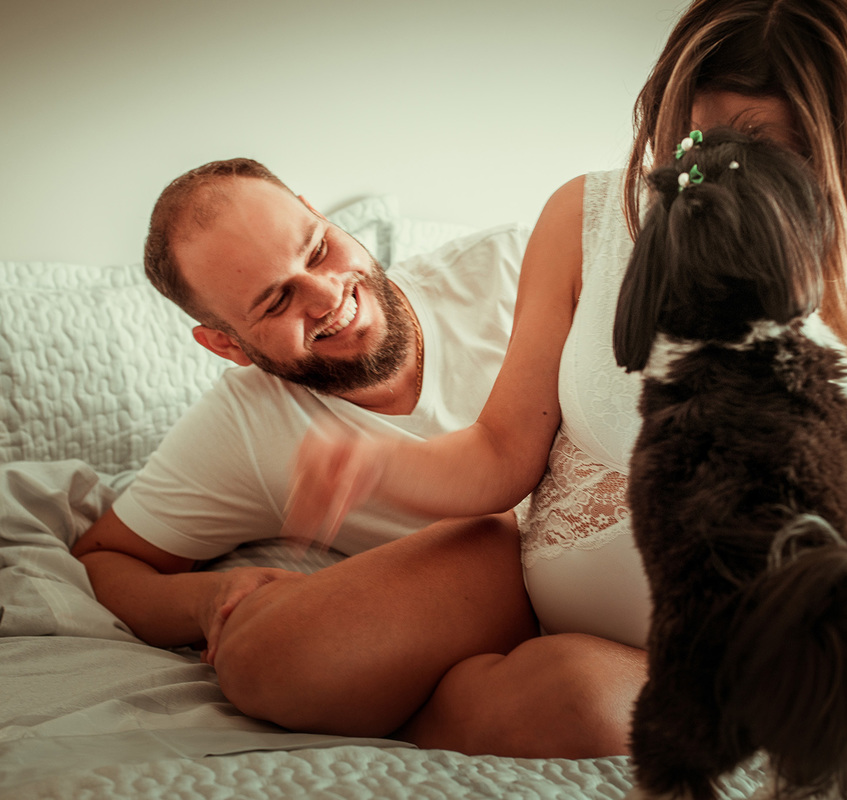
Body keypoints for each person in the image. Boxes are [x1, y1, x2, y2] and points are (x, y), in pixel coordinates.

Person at [285, 0, 847, 762]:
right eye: (693, 135)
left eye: (757, 143)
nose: (708, 168)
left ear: (835, 141)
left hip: (790, 598)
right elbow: (498, 451)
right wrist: (376, 468)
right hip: (619, 615)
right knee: (581, 706)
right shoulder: (592, 212)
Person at [70, 158, 644, 758]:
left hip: (628, 544)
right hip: (496, 583)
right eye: (275, 302)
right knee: (270, 661)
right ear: (225, 344)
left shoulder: (511, 267)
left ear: (316, 211)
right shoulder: (246, 424)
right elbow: (107, 559)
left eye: (317, 250)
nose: (326, 297)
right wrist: (210, 598)